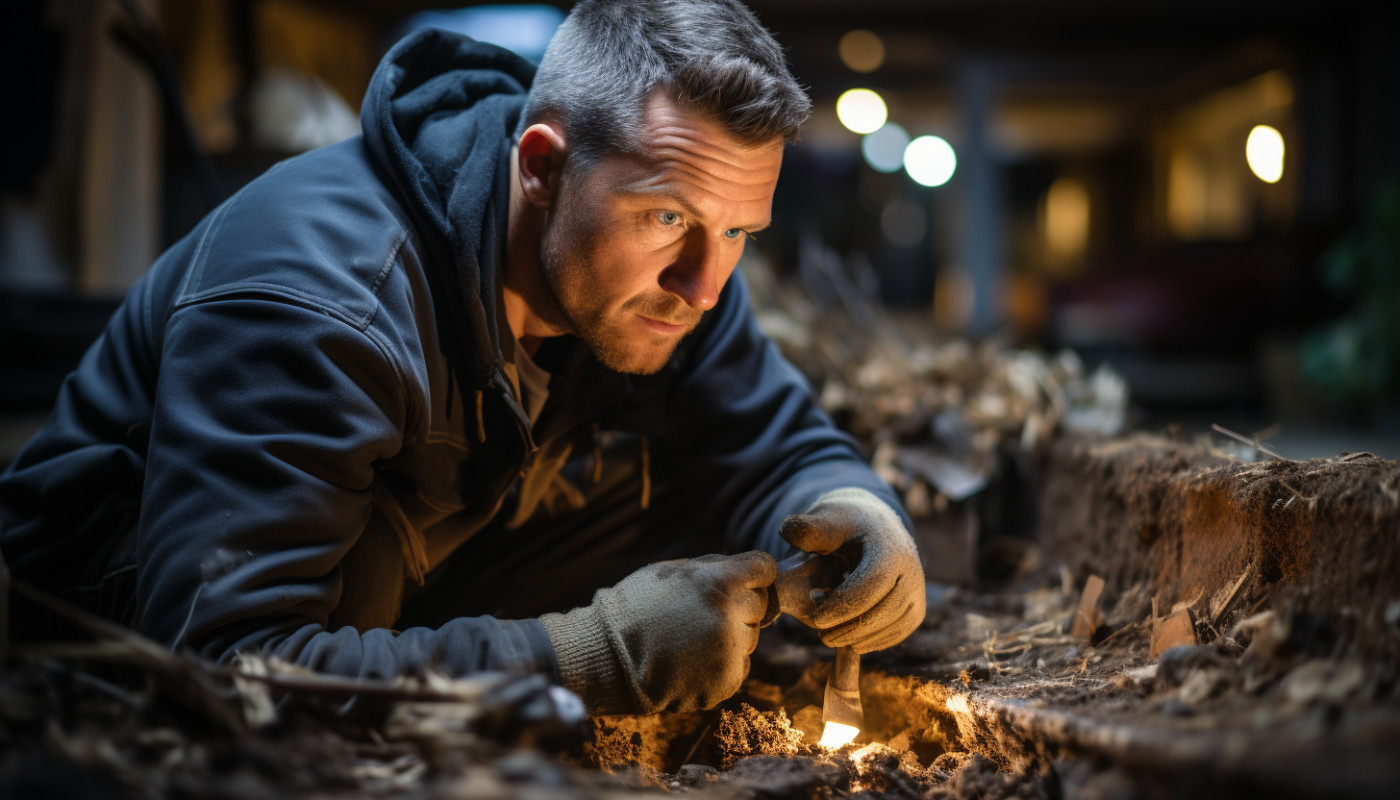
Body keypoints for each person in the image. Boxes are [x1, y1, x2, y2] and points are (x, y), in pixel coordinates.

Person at [0, 0, 924, 715]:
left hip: (420, 563)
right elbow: (222, 665)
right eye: (666, 219)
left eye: (739, 231)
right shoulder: (324, 303)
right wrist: (594, 653)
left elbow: (778, 445)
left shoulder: (671, 281)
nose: (704, 284)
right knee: (357, 574)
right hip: (100, 637)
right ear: (541, 166)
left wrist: (855, 509)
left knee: (695, 499)